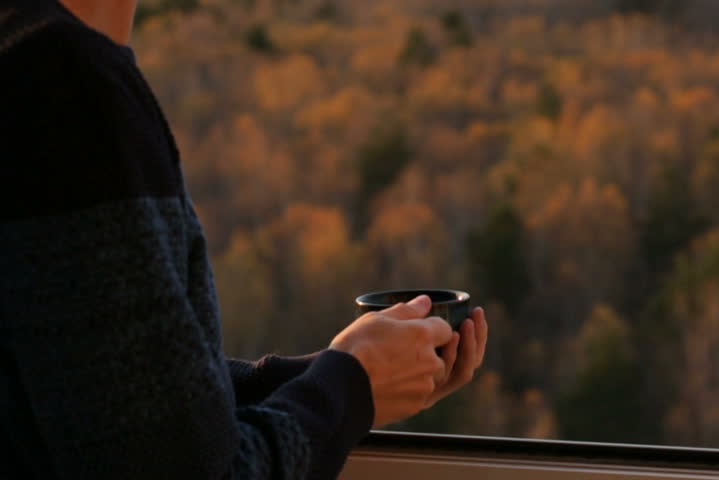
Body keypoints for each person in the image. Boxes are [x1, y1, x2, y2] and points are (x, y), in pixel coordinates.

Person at [0, 0, 488, 478]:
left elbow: (99, 398)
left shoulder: (33, 55)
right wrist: (350, 388)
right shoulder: (64, 83)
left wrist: (327, 372)